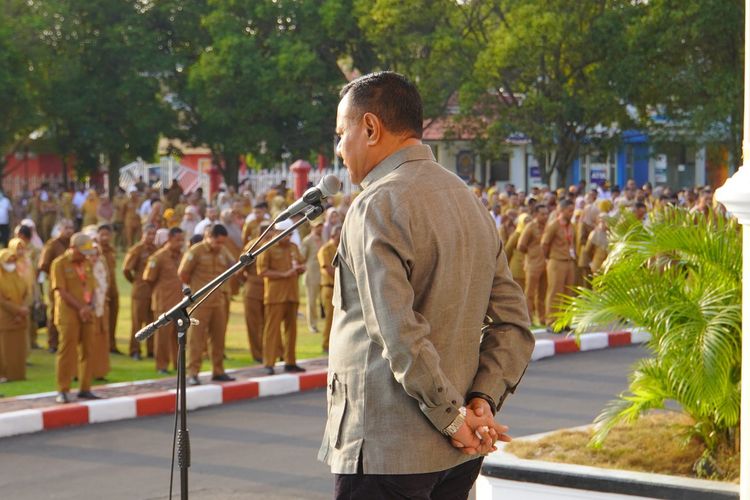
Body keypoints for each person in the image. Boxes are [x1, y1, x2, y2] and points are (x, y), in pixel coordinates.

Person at [320, 72, 533, 497]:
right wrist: (481, 403)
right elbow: (514, 324)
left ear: (371, 128)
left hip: (388, 449)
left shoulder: (376, 204)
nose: (339, 149)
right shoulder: (468, 200)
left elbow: (398, 333)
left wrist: (455, 418)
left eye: (342, 134)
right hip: (457, 454)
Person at [177, 223, 236, 385]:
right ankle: (192, 373)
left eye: (223, 242)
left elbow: (234, 265)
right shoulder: (196, 251)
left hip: (219, 301)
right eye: (217, 242)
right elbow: (183, 274)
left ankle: (218, 371)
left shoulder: (223, 250)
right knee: (196, 339)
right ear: (208, 237)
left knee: (218, 338)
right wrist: (195, 289)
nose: (220, 246)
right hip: (200, 303)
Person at [51, 232, 101, 403]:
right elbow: (61, 291)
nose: (85, 256)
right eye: (82, 252)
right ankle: (63, 390)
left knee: (88, 350)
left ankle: (85, 388)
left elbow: (92, 287)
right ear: (72, 248)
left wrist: (90, 306)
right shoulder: (59, 264)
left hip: (87, 312)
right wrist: (81, 308)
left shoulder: (86, 262)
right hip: (69, 314)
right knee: (67, 351)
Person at [256, 219, 306, 375]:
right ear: (277, 233)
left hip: (292, 293)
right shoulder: (267, 249)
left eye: (290, 234)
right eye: (286, 234)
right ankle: (269, 363)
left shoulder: (293, 247)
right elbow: (262, 272)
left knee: (292, 330)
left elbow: (301, 263)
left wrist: (300, 269)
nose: (289, 237)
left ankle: (290, 362)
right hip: (275, 295)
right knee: (272, 330)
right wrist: (283, 274)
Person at [143, 227, 184, 374]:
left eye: (182, 240)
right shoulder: (158, 257)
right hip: (163, 303)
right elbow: (148, 278)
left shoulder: (182, 256)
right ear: (170, 239)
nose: (181, 243)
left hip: (180, 303)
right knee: (162, 338)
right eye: (178, 240)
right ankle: (161, 366)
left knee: (179, 336)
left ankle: (178, 364)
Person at [38, 219, 74, 352]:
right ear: (60, 229)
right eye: (66, 228)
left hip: (72, 285)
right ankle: (53, 342)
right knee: (55, 313)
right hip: (56, 286)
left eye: (71, 228)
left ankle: (66, 341)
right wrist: (55, 276)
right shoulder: (52, 244)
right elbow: (43, 264)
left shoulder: (72, 244)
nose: (69, 230)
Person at [123, 224, 157, 360]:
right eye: (149, 234)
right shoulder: (136, 250)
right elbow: (126, 269)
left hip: (153, 291)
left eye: (153, 234)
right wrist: (135, 281)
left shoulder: (156, 250)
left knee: (153, 322)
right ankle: (135, 350)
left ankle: (151, 350)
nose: (151, 237)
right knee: (138, 321)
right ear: (143, 234)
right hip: (140, 291)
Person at [542, 198, 577, 328]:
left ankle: (565, 321)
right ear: (561, 211)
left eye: (573, 210)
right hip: (556, 262)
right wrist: (548, 259)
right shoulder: (553, 225)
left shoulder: (571, 226)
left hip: (569, 262)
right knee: (555, 292)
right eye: (569, 211)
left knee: (568, 293)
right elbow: (544, 244)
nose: (572, 213)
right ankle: (551, 322)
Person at [242, 221, 271, 363]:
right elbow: (241, 269)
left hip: (270, 289)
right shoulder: (252, 246)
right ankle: (257, 354)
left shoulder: (273, 243)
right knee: (254, 324)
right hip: (254, 288)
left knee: (269, 323)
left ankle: (270, 351)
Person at [0, 249, 30, 382]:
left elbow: (26, 293)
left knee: (18, 349)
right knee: (5, 350)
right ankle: (5, 374)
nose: (11, 264)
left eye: (13, 260)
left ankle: (18, 374)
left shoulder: (18, 276)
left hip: (20, 318)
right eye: (8, 261)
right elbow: (1, 300)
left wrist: (23, 309)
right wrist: (17, 311)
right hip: (5, 318)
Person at [518, 204, 549, 325]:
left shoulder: (547, 226)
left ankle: (542, 318)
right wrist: (531, 254)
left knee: (542, 293)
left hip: (545, 264)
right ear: (536, 215)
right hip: (532, 264)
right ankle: (527, 319)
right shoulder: (530, 226)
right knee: (529, 293)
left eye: (546, 214)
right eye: (542, 214)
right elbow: (520, 245)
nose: (545, 216)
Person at [317, 225, 340, 353]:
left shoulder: (340, 248)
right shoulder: (325, 249)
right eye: (338, 236)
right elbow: (326, 268)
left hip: (339, 288)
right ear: (332, 236)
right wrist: (341, 277)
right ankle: (326, 345)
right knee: (330, 318)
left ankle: (335, 345)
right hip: (329, 287)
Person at [300, 218, 324, 333]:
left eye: (321, 225)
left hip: (323, 273)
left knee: (324, 300)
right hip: (311, 273)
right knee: (311, 301)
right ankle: (312, 324)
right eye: (317, 226)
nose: (320, 228)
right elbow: (302, 257)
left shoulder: (323, 238)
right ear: (312, 227)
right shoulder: (307, 240)